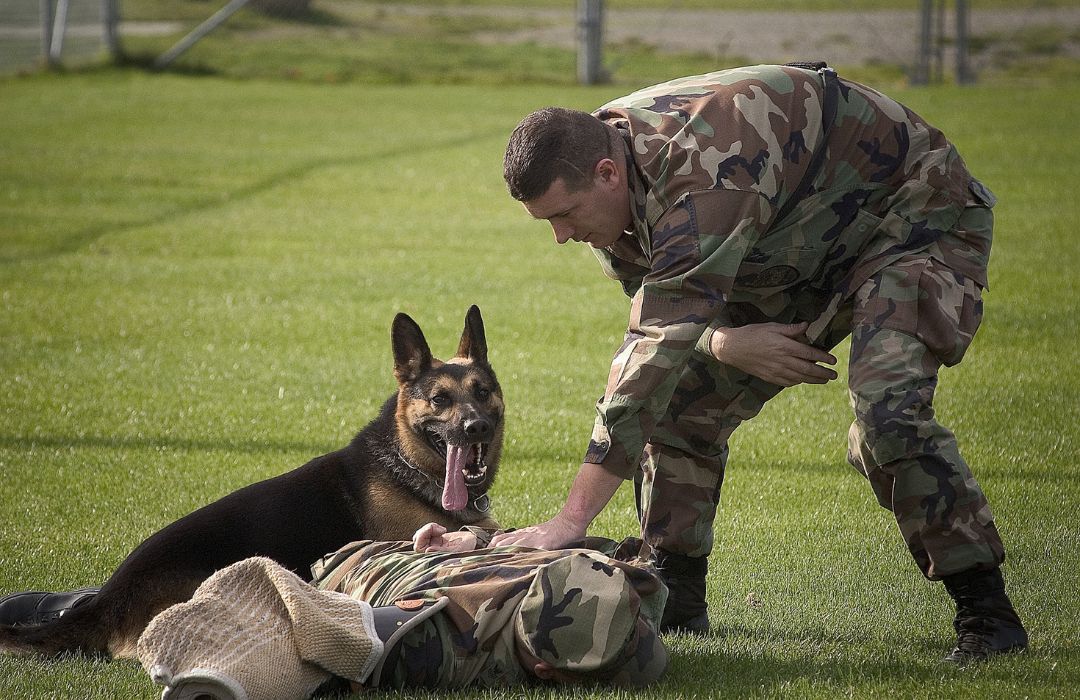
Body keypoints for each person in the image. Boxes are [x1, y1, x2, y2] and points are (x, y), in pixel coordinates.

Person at [494, 62, 1026, 663]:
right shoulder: (610, 187)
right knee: (680, 409)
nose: (561, 237)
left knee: (888, 415)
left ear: (607, 173)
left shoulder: (704, 168)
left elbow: (650, 352)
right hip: (793, 247)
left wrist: (570, 519)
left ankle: (987, 615)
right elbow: (664, 307)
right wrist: (723, 341)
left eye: (563, 216)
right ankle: (677, 600)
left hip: (913, 223)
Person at [135, 523, 669, 699]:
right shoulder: (434, 649)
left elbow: (333, 640)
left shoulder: (439, 647)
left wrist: (477, 542)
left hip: (369, 564)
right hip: (357, 563)